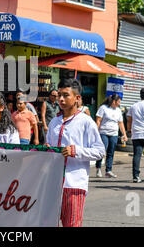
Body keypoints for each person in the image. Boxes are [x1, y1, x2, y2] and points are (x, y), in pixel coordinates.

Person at [46, 79, 105, 227]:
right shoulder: (54, 122)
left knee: (71, 224)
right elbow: (48, 145)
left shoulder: (86, 122)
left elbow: (99, 151)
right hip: (52, 183)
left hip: (74, 184)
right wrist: (46, 149)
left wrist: (76, 151)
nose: (60, 99)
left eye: (65, 95)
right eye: (59, 95)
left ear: (77, 98)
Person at [95, 94, 128, 178]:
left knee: (111, 152)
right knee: (102, 151)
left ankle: (108, 171)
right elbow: (98, 120)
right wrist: (95, 132)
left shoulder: (118, 110)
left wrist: (124, 134)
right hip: (103, 133)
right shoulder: (103, 108)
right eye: (119, 102)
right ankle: (98, 168)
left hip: (114, 134)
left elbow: (121, 123)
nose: (119, 103)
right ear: (114, 101)